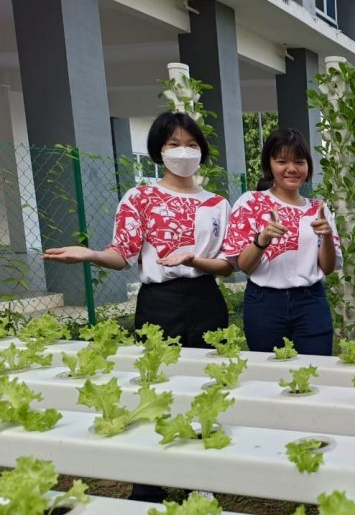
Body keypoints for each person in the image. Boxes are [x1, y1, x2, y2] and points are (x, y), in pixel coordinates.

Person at [43, 111, 232, 347]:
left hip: (206, 299)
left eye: (191, 144)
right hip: (159, 303)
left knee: (210, 374)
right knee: (159, 373)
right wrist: (91, 255)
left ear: (201, 150)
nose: (184, 151)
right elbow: (122, 255)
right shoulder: (140, 198)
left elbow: (227, 265)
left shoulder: (217, 204)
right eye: (174, 144)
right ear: (159, 150)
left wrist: (193, 261)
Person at [222, 129, 341, 355]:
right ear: (269, 165)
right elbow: (244, 266)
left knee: (315, 370)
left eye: (299, 161)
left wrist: (326, 237)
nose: (292, 168)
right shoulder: (251, 202)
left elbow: (327, 268)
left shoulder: (319, 209)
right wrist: (262, 239)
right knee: (269, 376)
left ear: (308, 167)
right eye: (282, 161)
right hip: (264, 302)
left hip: (311, 301)